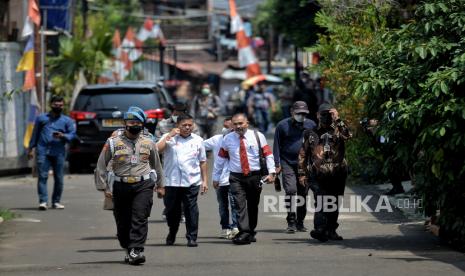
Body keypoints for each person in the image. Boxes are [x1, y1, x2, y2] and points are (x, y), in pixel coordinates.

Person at [95, 106, 165, 265]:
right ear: (125, 124)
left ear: (142, 124)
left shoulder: (149, 141)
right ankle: (128, 248)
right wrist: (104, 187)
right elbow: (101, 165)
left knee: (140, 216)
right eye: (131, 122)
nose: (134, 125)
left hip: (144, 184)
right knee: (123, 221)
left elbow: (157, 165)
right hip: (121, 186)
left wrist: (161, 185)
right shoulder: (113, 142)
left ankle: (136, 250)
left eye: (137, 122)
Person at [213, 113, 276, 245]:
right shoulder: (228, 139)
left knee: (253, 205)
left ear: (247, 123)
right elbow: (220, 159)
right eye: (235, 124)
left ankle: (250, 231)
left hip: (255, 176)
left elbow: (268, 155)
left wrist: (271, 172)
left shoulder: (258, 136)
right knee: (239, 204)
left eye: (241, 123)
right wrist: (216, 177)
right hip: (236, 177)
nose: (238, 126)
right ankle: (244, 231)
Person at [298, 103, 352, 242]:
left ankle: (331, 230)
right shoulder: (310, 133)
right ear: (317, 115)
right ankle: (320, 229)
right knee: (321, 200)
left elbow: (349, 135)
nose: (326, 117)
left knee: (334, 202)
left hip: (337, 173)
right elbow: (303, 154)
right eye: (323, 114)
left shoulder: (339, 130)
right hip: (318, 174)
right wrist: (302, 173)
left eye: (329, 114)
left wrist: (338, 119)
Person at [156, 114, 208, 247]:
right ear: (177, 126)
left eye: (189, 125)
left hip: (191, 181)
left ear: (193, 125)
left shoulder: (198, 140)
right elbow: (156, 151)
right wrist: (169, 136)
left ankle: (192, 237)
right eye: (184, 125)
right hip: (171, 182)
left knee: (191, 209)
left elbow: (202, 161)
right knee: (172, 211)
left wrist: (205, 181)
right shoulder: (168, 137)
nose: (187, 127)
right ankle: (172, 232)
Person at [273, 101, 316, 233]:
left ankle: (300, 222)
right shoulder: (282, 125)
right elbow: (276, 146)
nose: (301, 116)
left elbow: (316, 144)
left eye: (304, 113)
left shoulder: (311, 125)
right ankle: (291, 220)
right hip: (287, 162)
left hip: (304, 164)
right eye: (298, 113)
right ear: (292, 112)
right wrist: (277, 164)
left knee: (303, 193)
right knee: (291, 190)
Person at [28, 95, 76, 210]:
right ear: (51, 105)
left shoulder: (67, 120)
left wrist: (63, 135)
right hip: (43, 151)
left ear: (63, 106)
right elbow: (35, 134)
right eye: (56, 105)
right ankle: (43, 201)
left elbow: (72, 134)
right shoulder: (41, 119)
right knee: (43, 176)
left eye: (60, 105)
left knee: (59, 178)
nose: (58, 107)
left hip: (59, 153)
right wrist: (30, 148)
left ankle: (56, 201)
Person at [203, 117, 239, 239]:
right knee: (223, 205)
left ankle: (235, 227)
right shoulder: (216, 140)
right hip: (219, 179)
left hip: (235, 178)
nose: (225, 129)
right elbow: (199, 145)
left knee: (235, 204)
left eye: (228, 126)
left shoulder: (239, 140)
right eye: (224, 126)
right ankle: (225, 228)